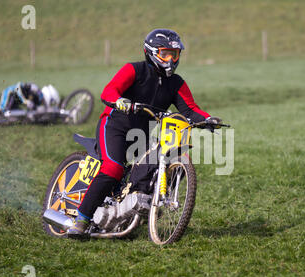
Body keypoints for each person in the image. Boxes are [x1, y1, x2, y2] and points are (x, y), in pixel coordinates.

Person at [67, 28, 222, 236]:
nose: (170, 60)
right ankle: (82, 219)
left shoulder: (176, 83)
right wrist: (120, 101)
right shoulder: (134, 70)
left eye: (174, 55)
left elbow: (190, 110)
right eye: (165, 54)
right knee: (113, 168)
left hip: (143, 134)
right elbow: (109, 91)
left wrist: (207, 119)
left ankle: (134, 212)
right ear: (151, 52)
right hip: (114, 126)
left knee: (156, 168)